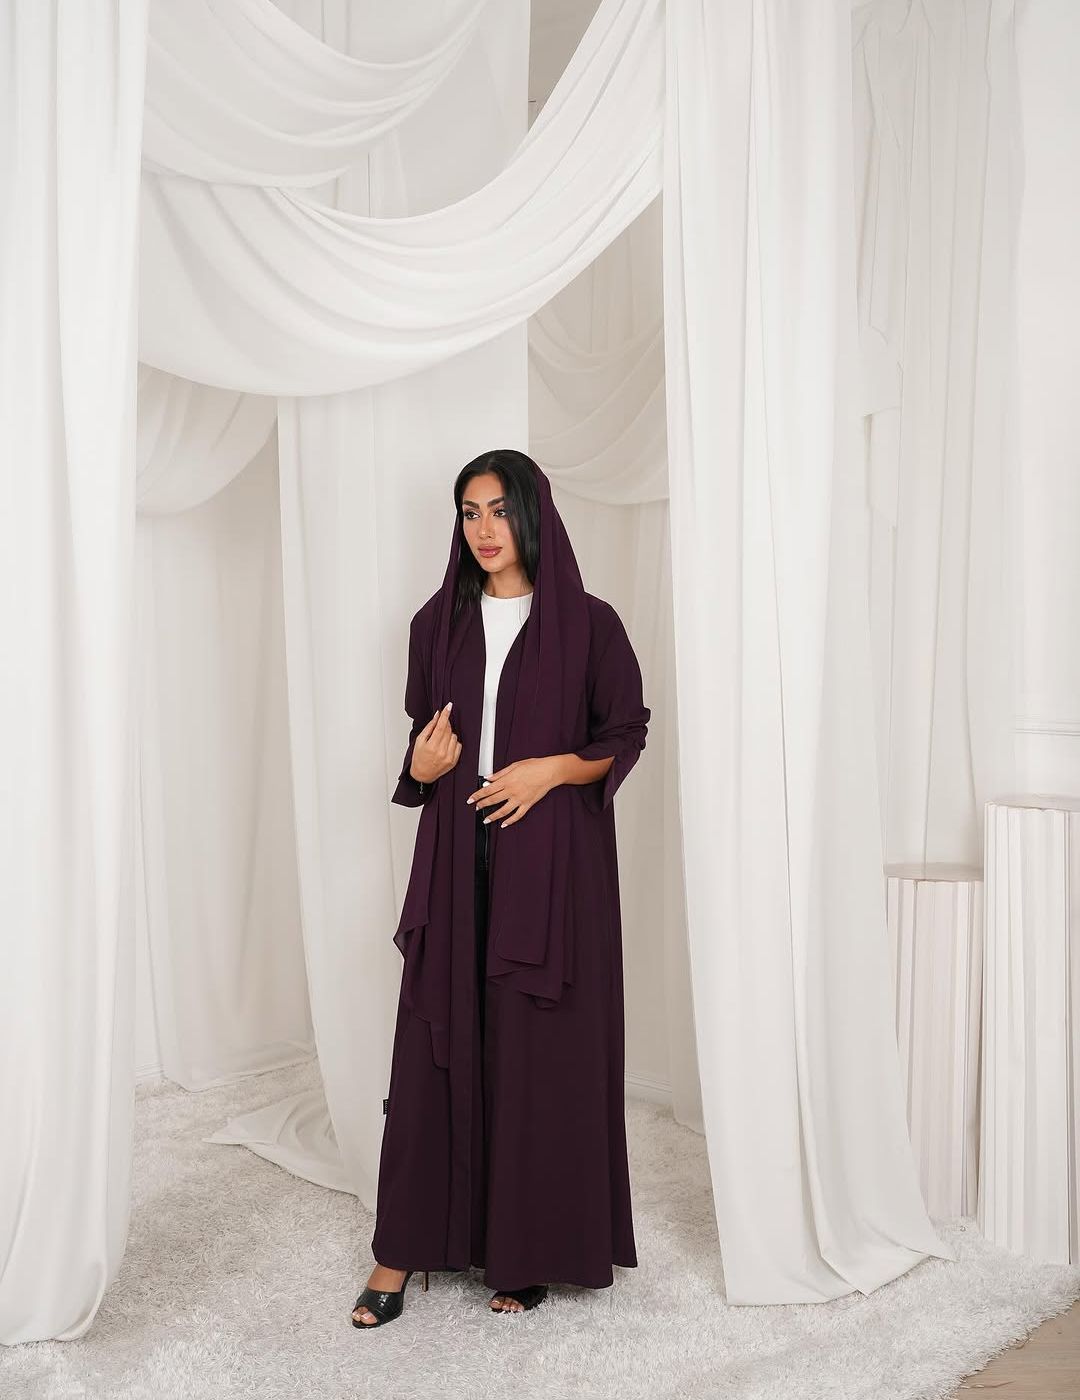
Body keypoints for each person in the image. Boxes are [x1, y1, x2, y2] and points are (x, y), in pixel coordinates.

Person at [352, 450, 650, 1328]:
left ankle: (527, 1248)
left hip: (553, 863)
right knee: (435, 1041)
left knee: (535, 1053)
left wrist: (550, 770)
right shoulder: (435, 623)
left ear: (533, 514)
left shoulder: (591, 624)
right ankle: (399, 1250)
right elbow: (425, 742)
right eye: (469, 512)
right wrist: (419, 768)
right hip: (455, 853)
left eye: (499, 510)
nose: (484, 529)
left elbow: (624, 732)